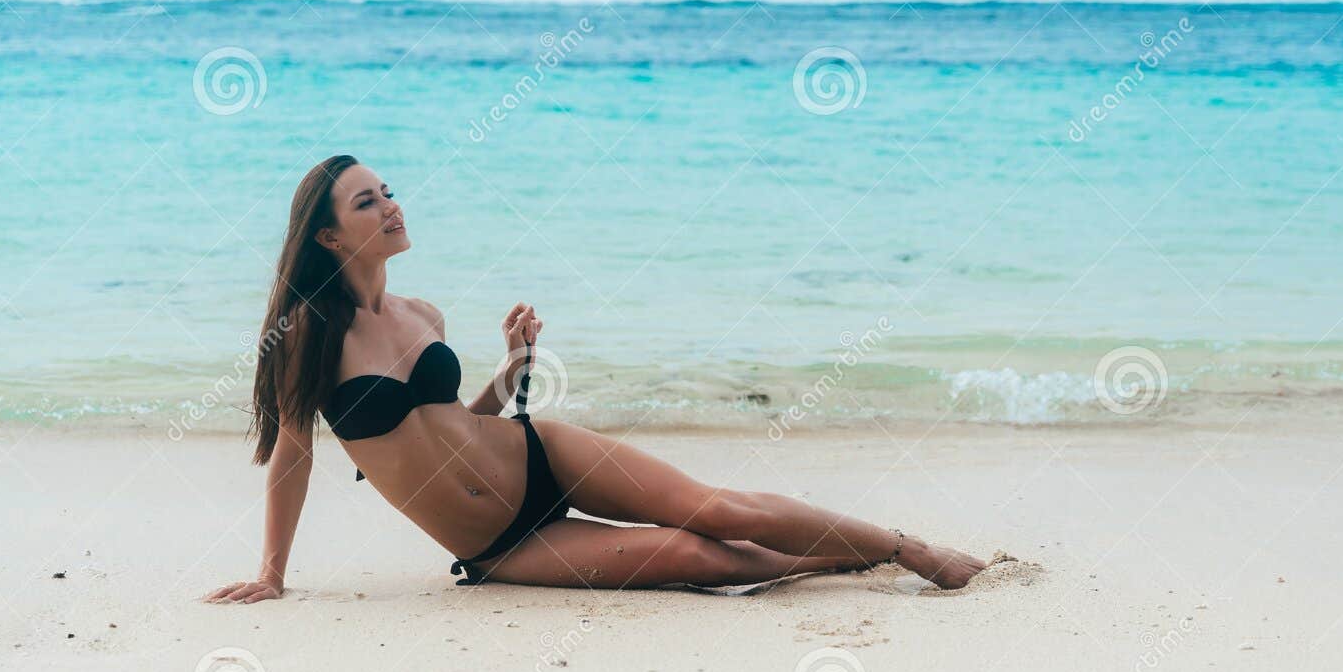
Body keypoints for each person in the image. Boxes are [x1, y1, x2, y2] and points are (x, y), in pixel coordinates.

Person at [204, 155, 987, 604]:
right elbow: (295, 452)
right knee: (699, 560)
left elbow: (451, 419)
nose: (393, 206)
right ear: (329, 233)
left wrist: (512, 368)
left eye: (391, 190)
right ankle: (834, 558)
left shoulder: (423, 312)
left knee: (719, 509)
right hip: (503, 543)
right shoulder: (308, 334)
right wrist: (273, 572)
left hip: (537, 453)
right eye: (369, 201)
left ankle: (905, 547)